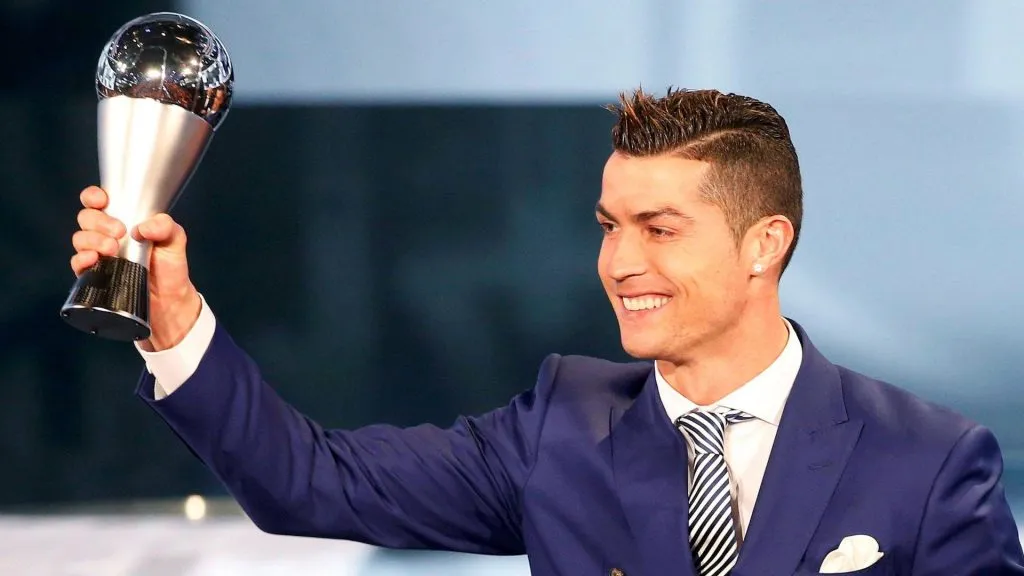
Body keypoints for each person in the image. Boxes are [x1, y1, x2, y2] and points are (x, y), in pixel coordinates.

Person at [70, 88, 1024, 575]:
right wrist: (177, 324)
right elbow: (306, 481)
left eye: (660, 229)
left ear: (763, 244)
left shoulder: (929, 463)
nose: (618, 263)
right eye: (610, 226)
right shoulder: (562, 426)